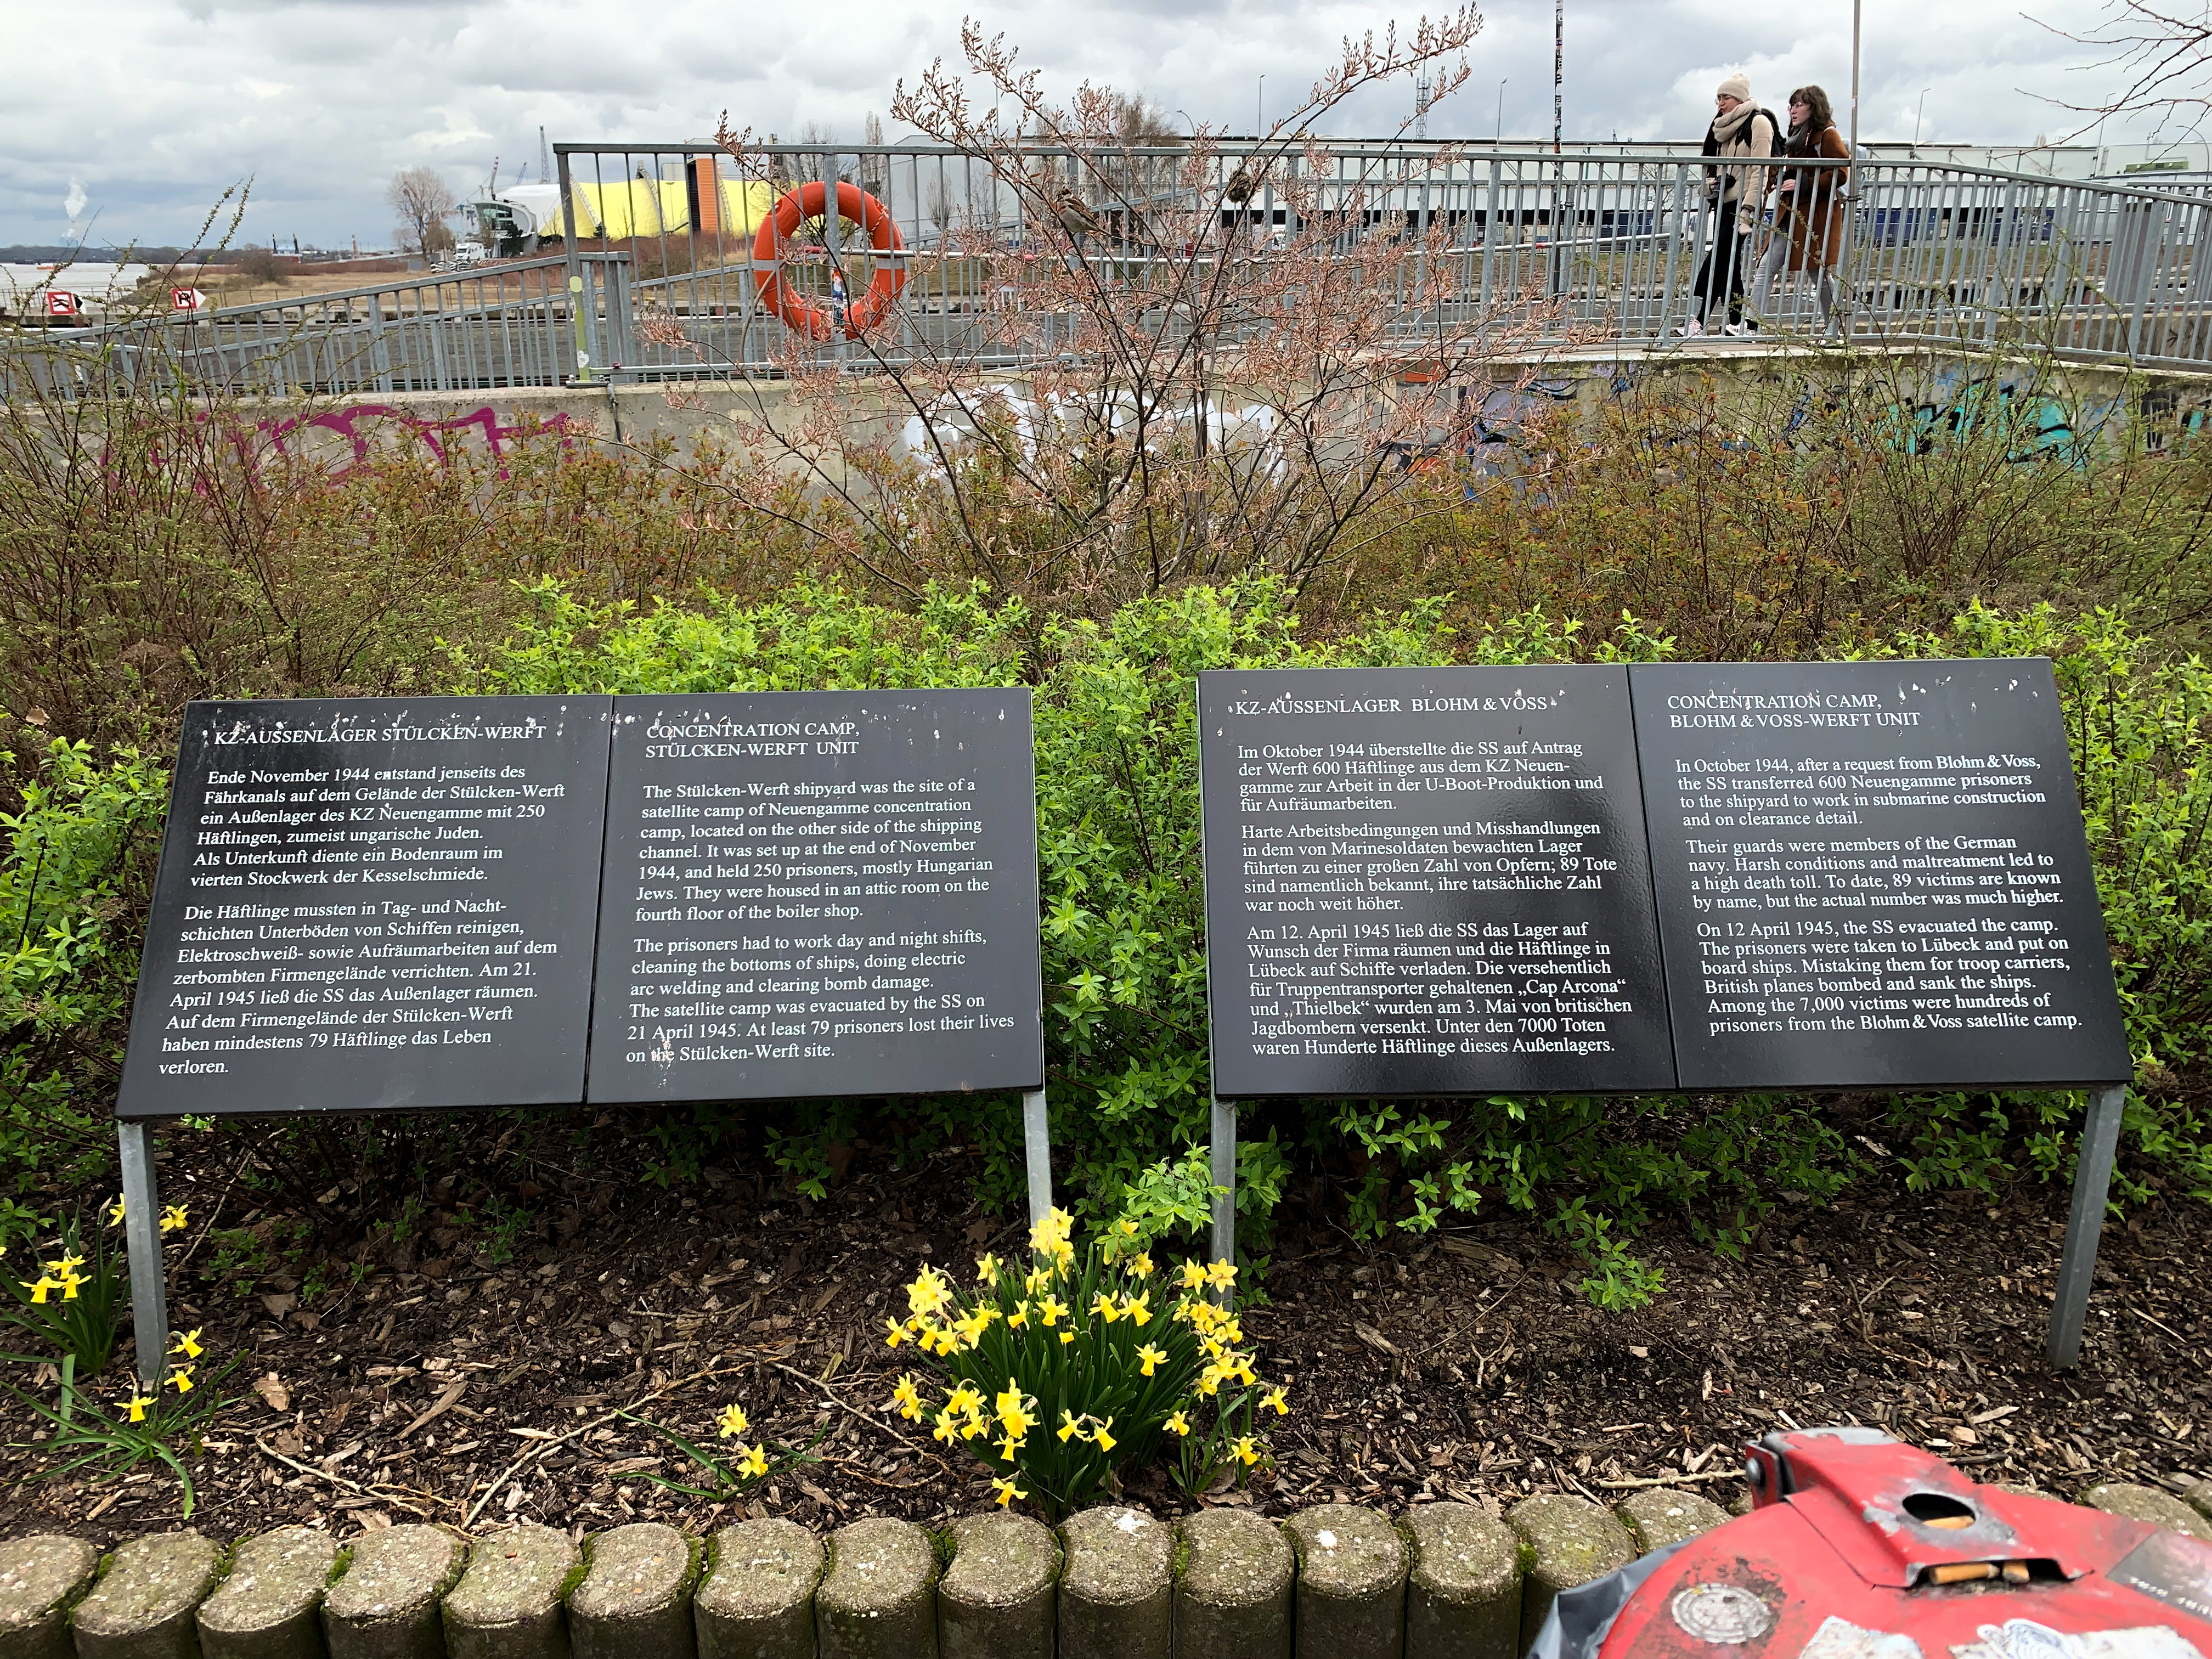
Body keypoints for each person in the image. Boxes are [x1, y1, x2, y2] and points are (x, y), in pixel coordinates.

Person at [1751, 86, 1851, 334]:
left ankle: (1834, 328)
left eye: (1799, 105)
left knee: (1817, 272)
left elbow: (1841, 173)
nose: (1793, 111)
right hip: (1790, 212)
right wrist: (1781, 179)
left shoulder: (1827, 135)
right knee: (1766, 266)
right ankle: (1750, 325)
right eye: (1791, 105)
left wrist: (1803, 183)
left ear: (1813, 108)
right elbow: (1795, 170)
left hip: (1815, 215)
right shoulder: (1796, 137)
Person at [1682, 74, 1776, 337]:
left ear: (1740, 99)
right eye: (1718, 98)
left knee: (1720, 258)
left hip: (1744, 204)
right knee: (1729, 264)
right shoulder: (1722, 127)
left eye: (1726, 97)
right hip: (1724, 202)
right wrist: (1712, 184)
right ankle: (1740, 323)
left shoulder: (1758, 123)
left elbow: (1761, 170)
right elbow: (1714, 166)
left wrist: (1749, 209)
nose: (1721, 103)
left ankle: (1700, 321)